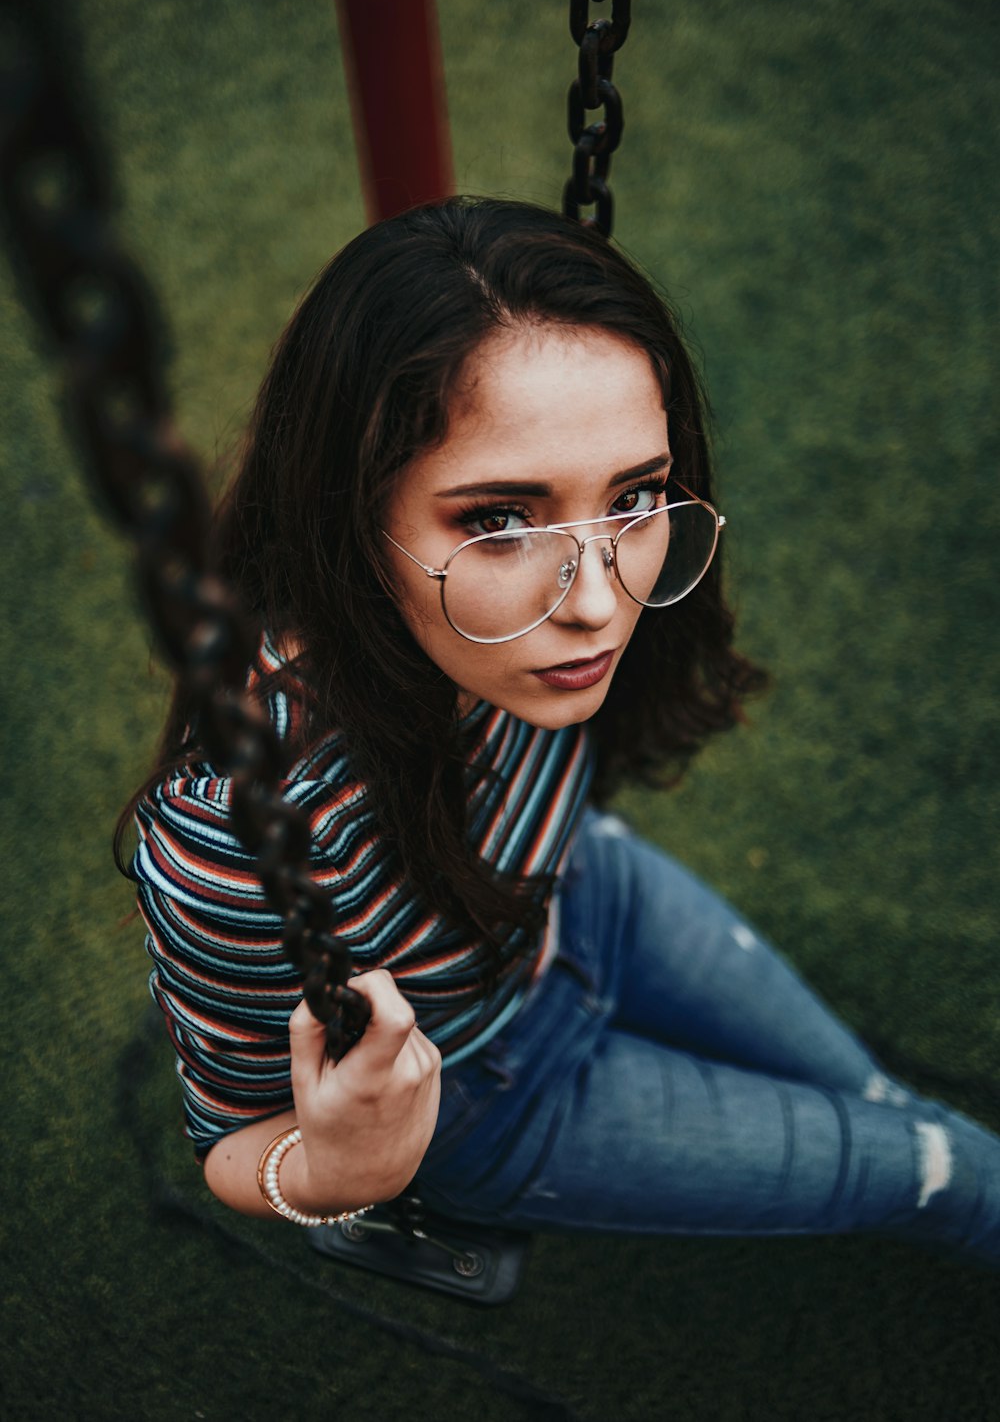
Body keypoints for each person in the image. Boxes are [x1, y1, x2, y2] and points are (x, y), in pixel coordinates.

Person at [120, 196, 1000, 1266]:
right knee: (938, 1174)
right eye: (498, 521)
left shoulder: (527, 644)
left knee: (879, 1103)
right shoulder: (237, 834)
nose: (595, 606)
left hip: (589, 893)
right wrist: (333, 1172)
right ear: (350, 514)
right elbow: (229, 1134)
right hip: (485, 1093)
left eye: (634, 499)